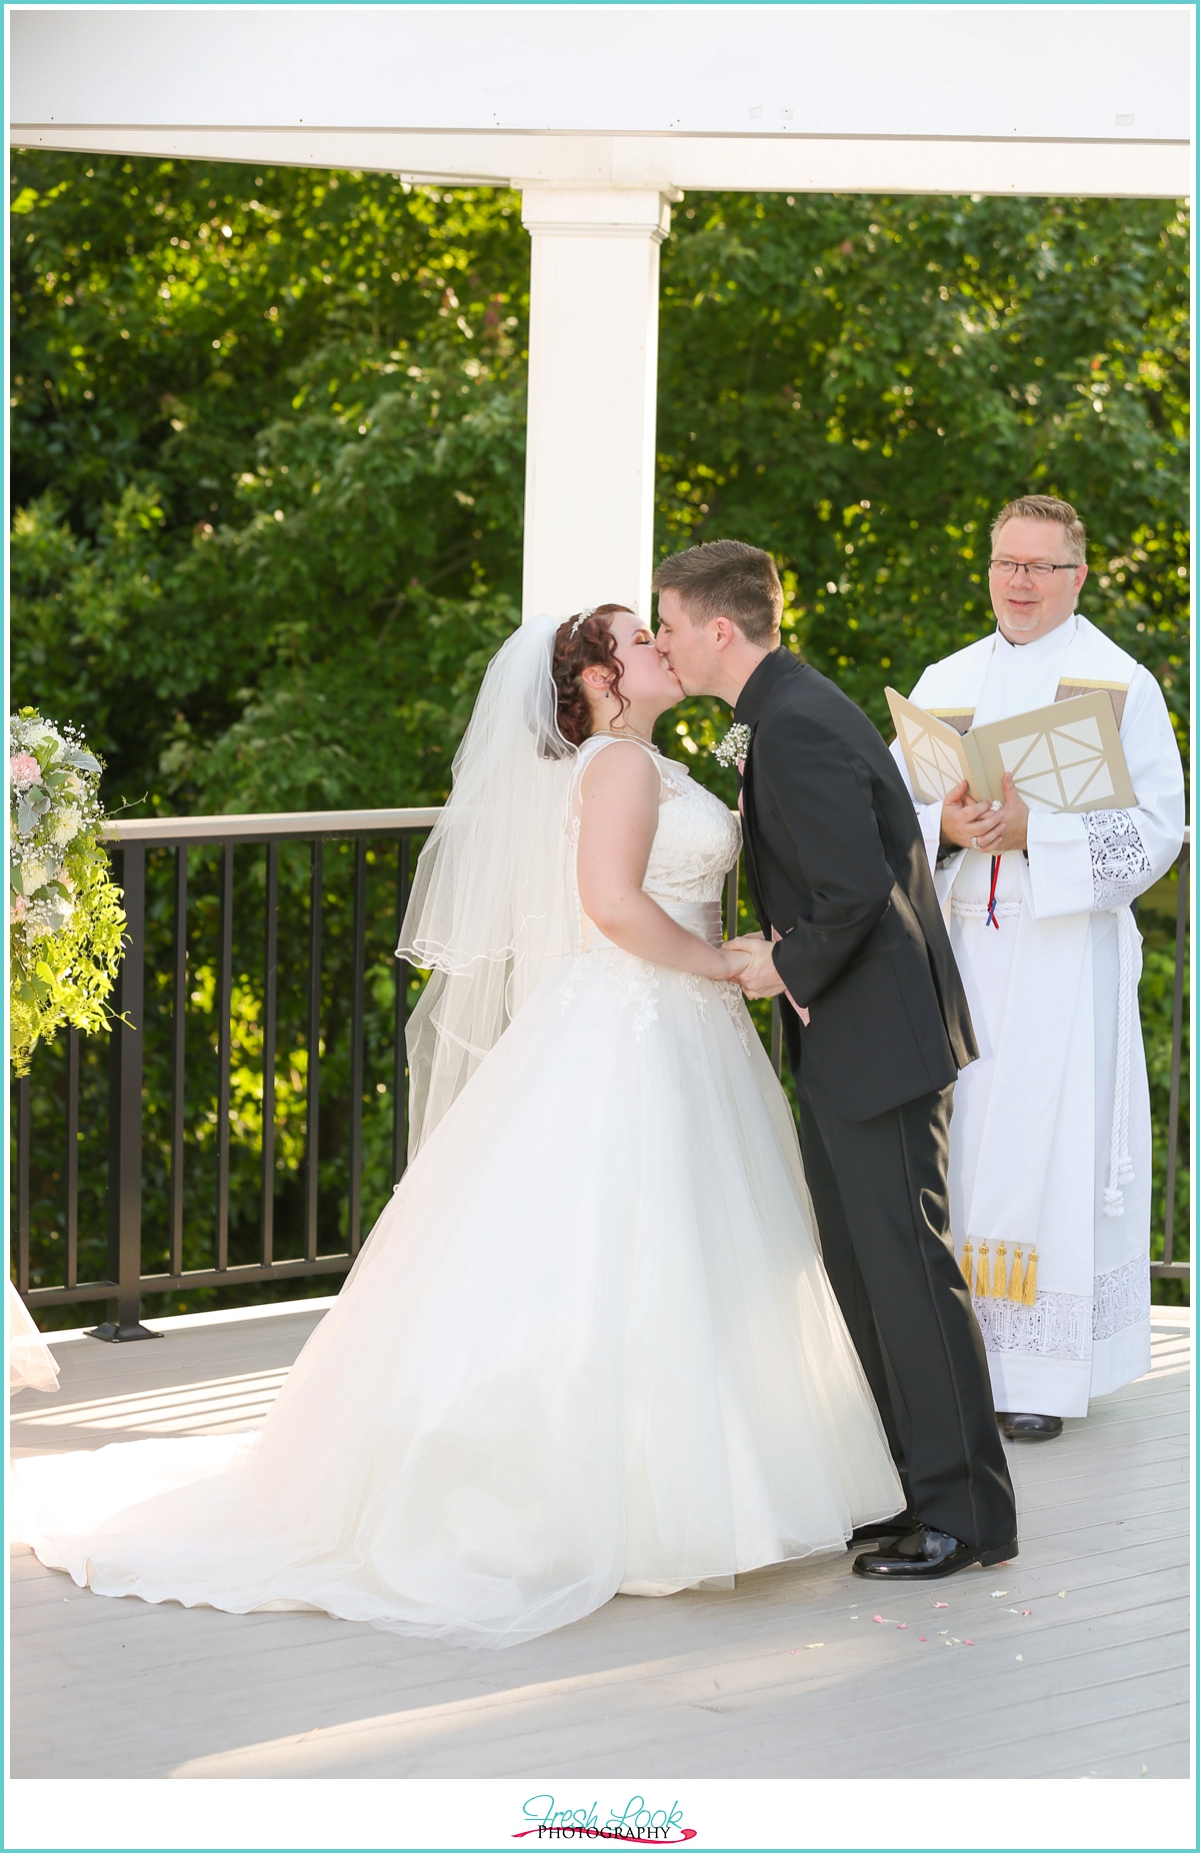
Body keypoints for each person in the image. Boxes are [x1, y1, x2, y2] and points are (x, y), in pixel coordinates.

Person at [12, 605, 904, 1648]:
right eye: (639, 638)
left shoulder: (646, 761)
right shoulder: (616, 768)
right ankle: (627, 1506)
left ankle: (705, 1494)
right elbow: (613, 905)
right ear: (603, 681)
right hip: (640, 1020)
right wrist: (719, 963)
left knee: (676, 1255)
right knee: (632, 1252)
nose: (663, 646)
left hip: (675, 1029)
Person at [654, 539, 1018, 1582]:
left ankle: (970, 1515)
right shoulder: (781, 712)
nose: (667, 642)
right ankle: (909, 1491)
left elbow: (856, 891)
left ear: (720, 628)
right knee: (865, 1278)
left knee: (909, 1275)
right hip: (850, 1034)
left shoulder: (798, 724)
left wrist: (781, 965)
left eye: (670, 624)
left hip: (880, 1039)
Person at [893, 495, 1185, 1440]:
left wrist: (1037, 834)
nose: (1019, 583)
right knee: (961, 1136)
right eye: (1006, 563)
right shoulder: (946, 680)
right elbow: (893, 803)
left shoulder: (1119, 684)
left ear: (1078, 576)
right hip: (965, 948)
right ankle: (957, 1356)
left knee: (1048, 1143)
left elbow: (1159, 830)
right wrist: (945, 826)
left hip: (1061, 949)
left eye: (1041, 567)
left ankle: (1039, 1375)